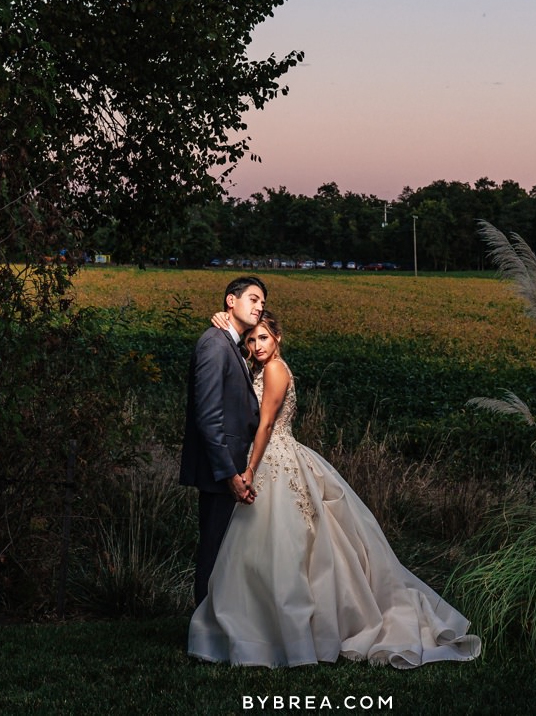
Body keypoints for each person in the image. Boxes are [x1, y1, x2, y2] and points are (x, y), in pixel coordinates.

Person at [188, 310, 481, 669]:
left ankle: (288, 633)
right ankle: (263, 629)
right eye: (251, 340)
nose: (256, 345)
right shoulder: (258, 369)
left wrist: (249, 468)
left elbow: (265, 425)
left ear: (277, 338)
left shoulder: (277, 370)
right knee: (260, 551)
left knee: (286, 549)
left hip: (273, 458)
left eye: (263, 337)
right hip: (266, 457)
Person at [179, 276, 267, 606]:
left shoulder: (230, 344)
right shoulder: (214, 345)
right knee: (214, 550)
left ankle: (220, 623)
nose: (260, 306)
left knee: (225, 552)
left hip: (232, 468)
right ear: (231, 301)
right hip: (222, 471)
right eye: (254, 299)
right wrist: (229, 473)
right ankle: (204, 629)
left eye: (263, 303)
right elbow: (208, 416)